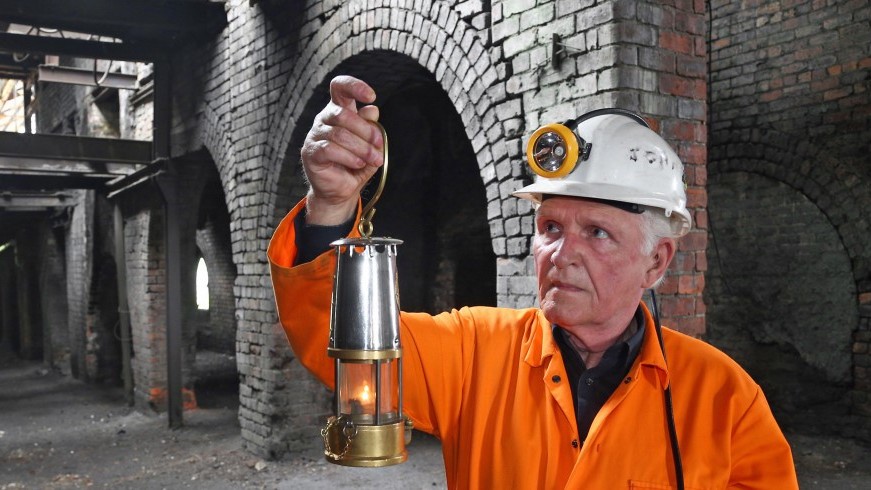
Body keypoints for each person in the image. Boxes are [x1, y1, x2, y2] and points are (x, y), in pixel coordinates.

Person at [268, 75, 799, 489]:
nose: (562, 254)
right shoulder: (475, 351)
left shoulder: (724, 398)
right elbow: (337, 345)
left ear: (656, 262)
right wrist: (333, 207)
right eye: (550, 227)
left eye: (597, 232)